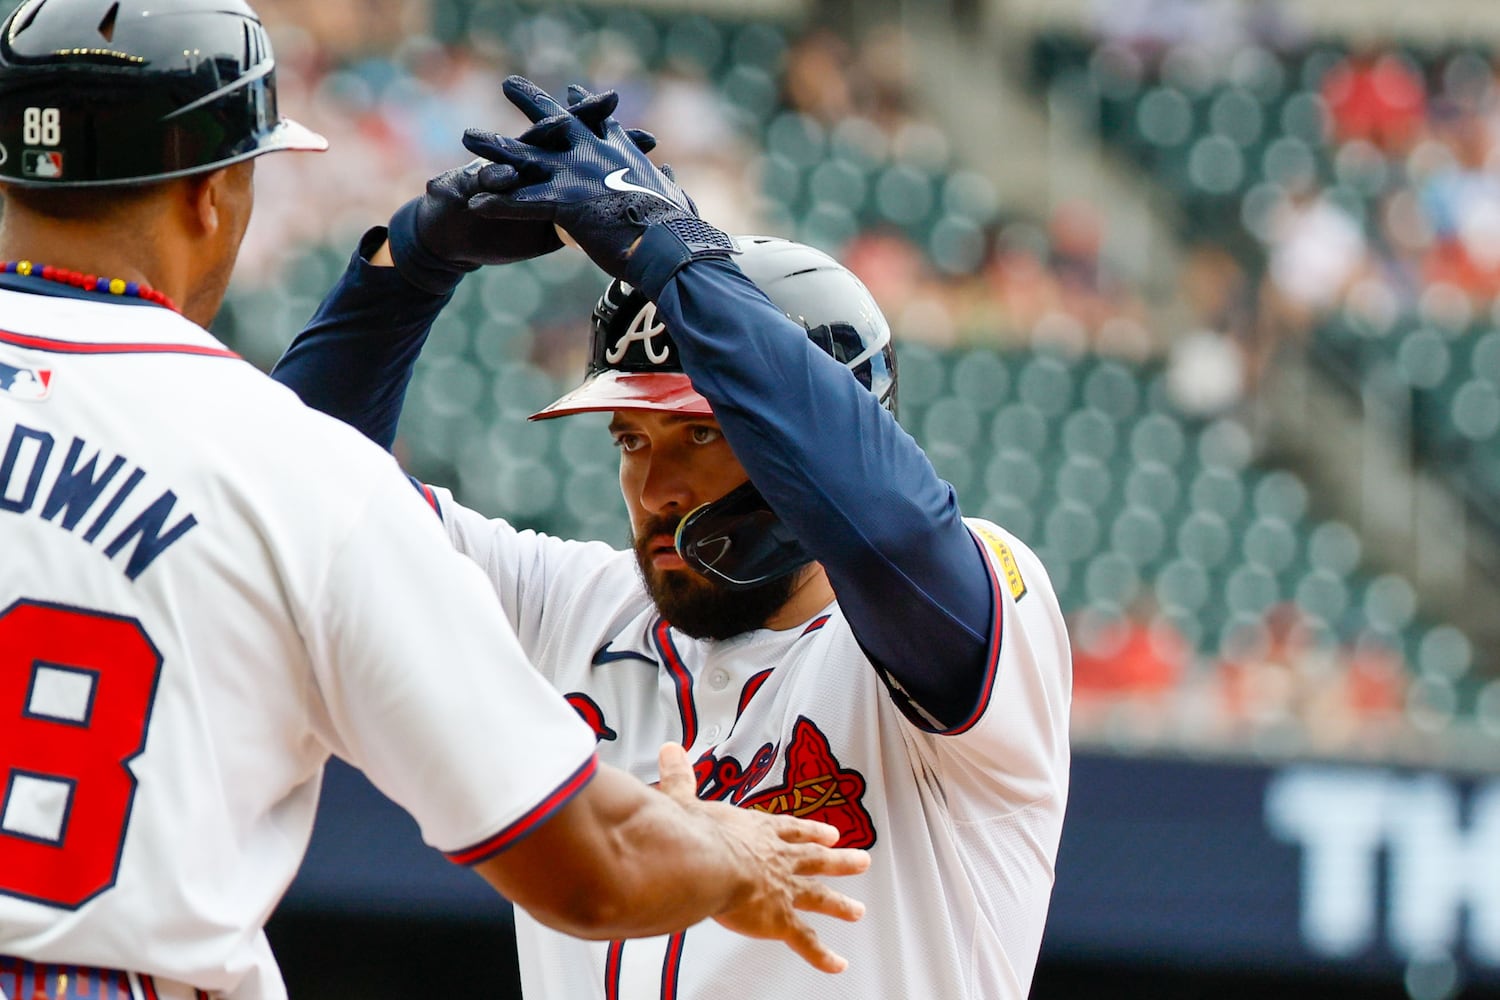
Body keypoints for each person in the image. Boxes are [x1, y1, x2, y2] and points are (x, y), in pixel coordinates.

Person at [0, 8, 872, 1000]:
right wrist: (726, 854)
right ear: (213, 195)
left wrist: (405, 266)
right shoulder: (274, 462)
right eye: (631, 434)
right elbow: (594, 869)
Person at [274, 77, 1072, 999]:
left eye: (700, 434)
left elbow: (889, 524)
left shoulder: (967, 610)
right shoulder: (567, 606)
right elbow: (301, 501)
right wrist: (403, 274)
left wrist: (676, 258)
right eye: (630, 439)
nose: (654, 488)